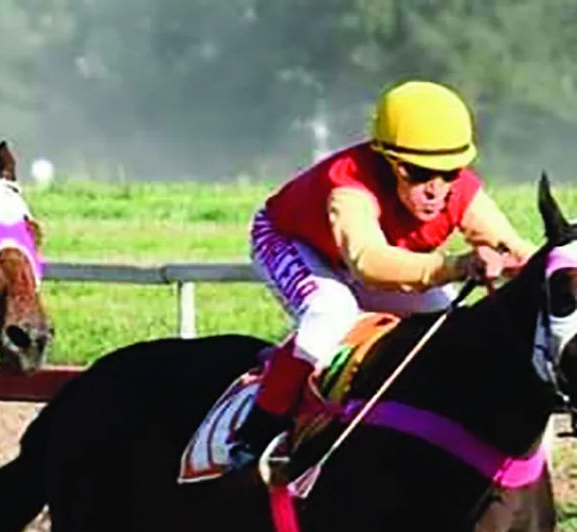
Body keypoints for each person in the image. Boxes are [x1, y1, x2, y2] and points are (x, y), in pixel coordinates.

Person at [229, 79, 535, 468]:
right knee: (331, 312)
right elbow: (368, 263)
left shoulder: (462, 193)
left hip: (372, 257)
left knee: (445, 325)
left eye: (450, 172)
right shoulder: (350, 184)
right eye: (419, 173)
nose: (436, 190)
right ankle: (257, 431)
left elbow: (518, 250)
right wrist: (458, 266)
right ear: (387, 161)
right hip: (295, 241)